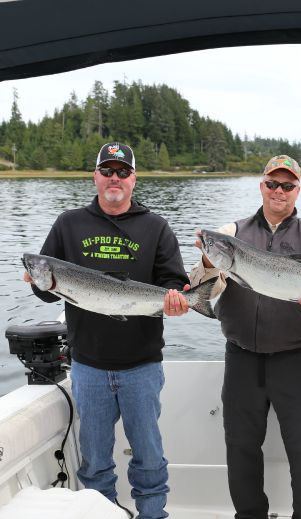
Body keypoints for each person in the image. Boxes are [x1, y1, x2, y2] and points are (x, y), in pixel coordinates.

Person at [24, 142, 191, 519]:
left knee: (148, 457)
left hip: (142, 364)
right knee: (95, 461)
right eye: (107, 171)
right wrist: (38, 282)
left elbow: (173, 282)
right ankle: (101, 514)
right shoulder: (69, 223)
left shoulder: (156, 227)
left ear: (134, 178)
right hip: (88, 366)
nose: (114, 178)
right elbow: (49, 292)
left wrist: (180, 300)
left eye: (122, 171)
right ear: (95, 175)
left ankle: (153, 515)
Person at [190, 155, 301, 519]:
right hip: (241, 357)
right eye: (273, 183)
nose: (279, 191)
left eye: (287, 185)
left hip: (293, 358)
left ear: (297, 190)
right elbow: (199, 289)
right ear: (262, 186)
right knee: (241, 447)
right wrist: (209, 264)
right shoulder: (231, 233)